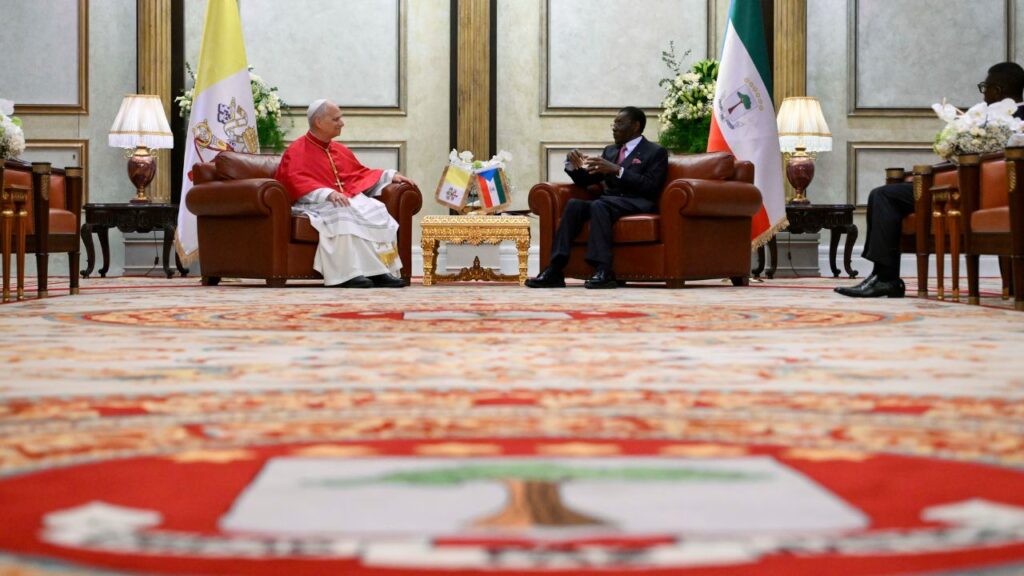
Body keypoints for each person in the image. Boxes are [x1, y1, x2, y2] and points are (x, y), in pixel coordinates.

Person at [836, 62, 1024, 298]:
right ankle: (883, 276)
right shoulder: (987, 114)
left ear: (997, 90)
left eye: (985, 88)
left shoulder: (1015, 119)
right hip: (957, 182)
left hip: (974, 191)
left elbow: (998, 158)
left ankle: (885, 279)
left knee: (884, 195)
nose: (983, 94)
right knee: (881, 195)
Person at [526, 106, 669, 289]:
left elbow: (650, 186)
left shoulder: (655, 152)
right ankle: (555, 268)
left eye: (619, 123)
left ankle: (604, 269)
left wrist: (617, 170)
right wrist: (572, 165)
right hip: (609, 202)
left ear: (635, 126)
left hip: (636, 202)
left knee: (599, 206)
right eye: (613, 123)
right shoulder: (610, 151)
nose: (614, 127)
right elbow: (587, 180)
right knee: (574, 205)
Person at [275, 100, 413, 288]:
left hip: (342, 197)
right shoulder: (297, 150)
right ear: (318, 122)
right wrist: (326, 193)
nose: (342, 123)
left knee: (377, 208)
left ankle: (380, 270)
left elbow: (359, 174)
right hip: (313, 202)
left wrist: (388, 176)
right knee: (342, 211)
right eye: (336, 119)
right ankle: (347, 274)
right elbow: (294, 180)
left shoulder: (340, 150)